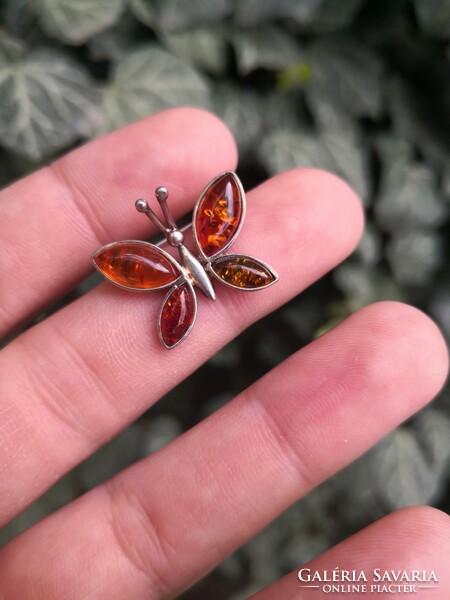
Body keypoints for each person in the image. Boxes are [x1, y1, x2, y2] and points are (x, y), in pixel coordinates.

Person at [0, 108, 448, 599]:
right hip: (208, 279)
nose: (177, 239)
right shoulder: (148, 260)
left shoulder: (180, 247)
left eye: (177, 234)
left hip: (202, 281)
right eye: (174, 237)